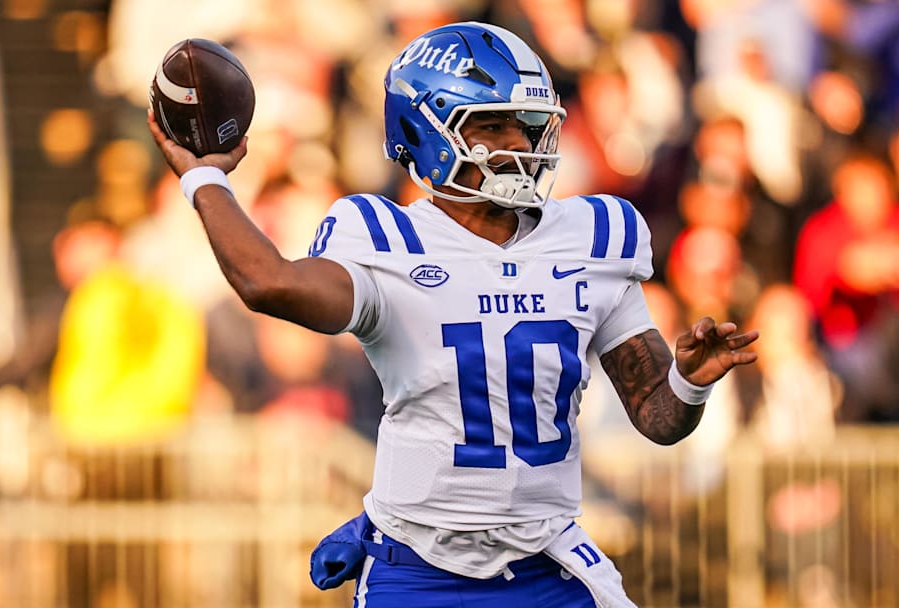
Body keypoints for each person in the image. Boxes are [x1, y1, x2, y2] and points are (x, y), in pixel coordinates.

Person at [147, 21, 759, 608]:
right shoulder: (384, 238)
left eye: (526, 125)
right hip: (418, 567)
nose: (518, 143)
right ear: (426, 132)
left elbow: (658, 416)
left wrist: (689, 383)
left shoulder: (593, 235)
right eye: (492, 125)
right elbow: (267, 283)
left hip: (547, 563)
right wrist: (204, 179)